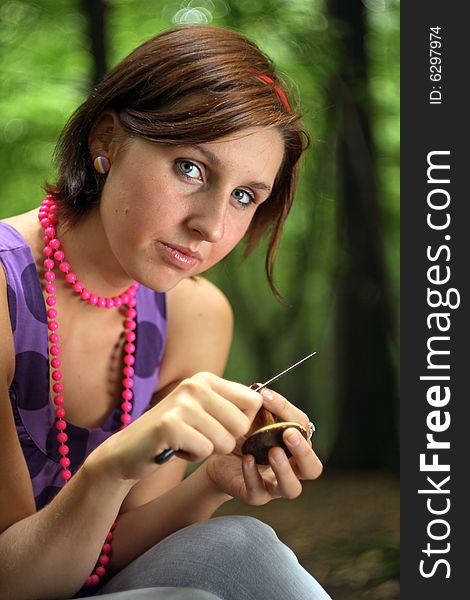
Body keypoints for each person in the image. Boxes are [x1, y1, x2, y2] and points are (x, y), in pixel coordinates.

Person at [0, 24, 332, 600]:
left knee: (243, 545)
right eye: (191, 168)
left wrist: (211, 482)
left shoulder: (194, 314)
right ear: (106, 140)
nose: (211, 225)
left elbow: (116, 553)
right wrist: (112, 466)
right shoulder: (6, 293)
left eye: (245, 196)